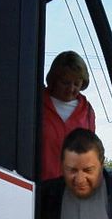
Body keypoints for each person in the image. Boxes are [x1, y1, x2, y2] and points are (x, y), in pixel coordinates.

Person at [41, 51, 96, 181]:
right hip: (37, 189)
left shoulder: (88, 112)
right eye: (65, 82)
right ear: (54, 80)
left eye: (76, 84)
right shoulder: (35, 102)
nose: (71, 89)